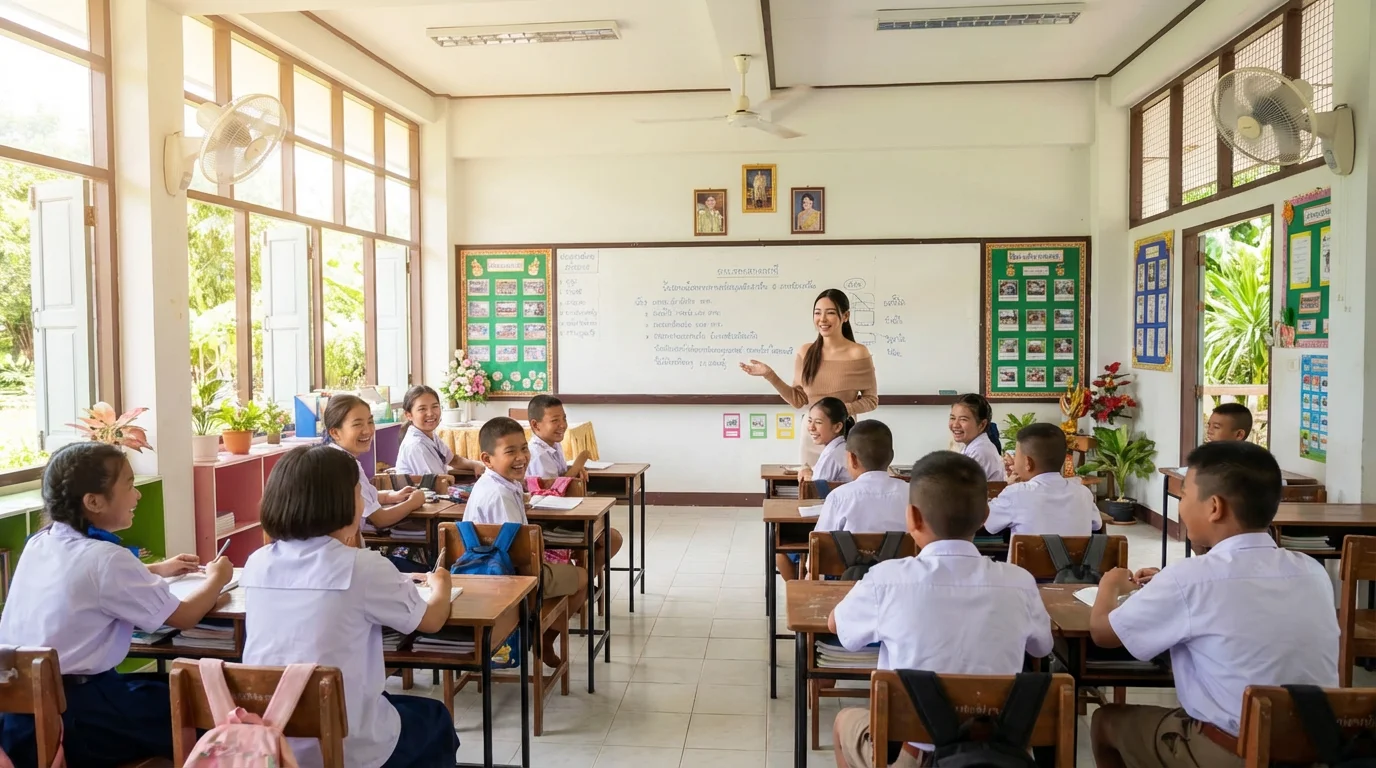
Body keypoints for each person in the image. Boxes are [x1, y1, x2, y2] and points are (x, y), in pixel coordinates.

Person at [1089, 441, 1339, 768]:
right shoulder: (1312, 571)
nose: (1179, 506)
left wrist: (1109, 585)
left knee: (1106, 722)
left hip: (1233, 753)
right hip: (1317, 747)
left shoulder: (1189, 578)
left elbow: (1103, 633)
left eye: (1185, 497)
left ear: (1214, 507)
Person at [0, 443, 233, 768]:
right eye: (128, 486)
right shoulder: (106, 558)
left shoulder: (40, 541)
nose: (137, 496)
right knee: (205, 703)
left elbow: (81, 582)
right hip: (81, 719)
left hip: (20, 719)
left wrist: (157, 569)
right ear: (93, 501)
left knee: (167, 689)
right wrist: (218, 578)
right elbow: (184, 616)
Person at [827, 451, 1053, 768]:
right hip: (1000, 755)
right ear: (986, 514)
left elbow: (841, 630)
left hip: (919, 755)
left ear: (912, 517)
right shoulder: (1020, 581)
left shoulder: (887, 579)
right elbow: (1042, 646)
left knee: (845, 722)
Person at [242, 445, 458, 768]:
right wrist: (441, 584)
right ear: (341, 504)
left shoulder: (256, 563)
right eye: (360, 494)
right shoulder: (361, 566)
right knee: (434, 718)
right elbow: (432, 620)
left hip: (269, 739)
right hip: (344, 742)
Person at [466, 416, 587, 667]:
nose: (521, 457)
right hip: (511, 580)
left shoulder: (493, 484)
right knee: (583, 577)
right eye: (510, 451)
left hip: (486, 571)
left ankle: (538, 627)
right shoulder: (500, 495)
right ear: (487, 459)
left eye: (524, 448)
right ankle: (540, 634)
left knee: (563, 568)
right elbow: (520, 554)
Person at [740, 288, 878, 465]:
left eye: (830, 313)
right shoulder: (806, 352)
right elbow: (798, 400)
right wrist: (769, 375)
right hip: (811, 434)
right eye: (817, 313)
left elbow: (871, 400)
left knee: (842, 489)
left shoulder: (858, 353)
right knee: (811, 488)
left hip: (843, 433)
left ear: (845, 316)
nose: (822, 319)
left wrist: (840, 410)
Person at [322, 394, 426, 572]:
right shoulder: (344, 466)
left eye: (370, 422)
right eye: (357, 424)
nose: (368, 430)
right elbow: (380, 519)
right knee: (424, 566)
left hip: (339, 554)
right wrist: (412, 503)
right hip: (344, 559)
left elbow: (362, 495)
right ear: (335, 432)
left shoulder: (338, 458)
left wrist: (391, 496)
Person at [526, 394, 622, 568]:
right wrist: (581, 460)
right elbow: (553, 489)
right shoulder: (537, 454)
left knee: (612, 539)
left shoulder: (553, 445)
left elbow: (561, 475)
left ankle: (581, 583)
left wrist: (577, 469)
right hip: (550, 521)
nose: (562, 425)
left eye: (564, 418)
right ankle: (580, 583)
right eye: (555, 420)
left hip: (564, 514)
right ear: (535, 425)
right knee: (612, 539)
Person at [985, 422, 1102, 537]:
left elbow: (989, 524)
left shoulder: (1015, 493)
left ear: (1028, 463)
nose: (1014, 459)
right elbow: (1097, 525)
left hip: (1028, 557)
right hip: (1074, 556)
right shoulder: (1082, 493)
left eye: (1016, 454)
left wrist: (1008, 486)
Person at [813, 420, 909, 536]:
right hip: (905, 555)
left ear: (852, 458)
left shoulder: (838, 497)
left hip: (848, 555)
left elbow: (820, 543)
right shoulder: (912, 494)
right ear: (891, 457)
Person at [393, 385, 485, 478]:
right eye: (422, 409)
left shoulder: (429, 436)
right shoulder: (416, 445)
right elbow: (437, 482)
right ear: (408, 415)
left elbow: (454, 460)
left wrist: (475, 465)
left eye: (435, 407)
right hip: (429, 491)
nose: (430, 413)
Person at [949, 393, 1005, 481]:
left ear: (982, 424)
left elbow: (958, 489)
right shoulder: (972, 446)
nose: (955, 425)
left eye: (963, 419)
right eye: (952, 418)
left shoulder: (980, 451)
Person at [799, 397, 852, 484]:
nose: (811, 427)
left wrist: (808, 479)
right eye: (809, 421)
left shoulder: (833, 454)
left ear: (837, 427)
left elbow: (817, 491)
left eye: (818, 422)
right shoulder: (841, 447)